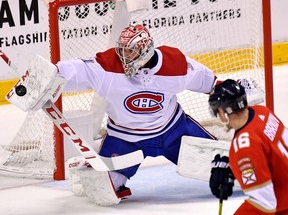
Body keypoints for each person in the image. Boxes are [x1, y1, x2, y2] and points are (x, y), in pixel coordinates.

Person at [56, 24, 218, 205]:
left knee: (223, 169)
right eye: (122, 50)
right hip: (125, 139)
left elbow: (208, 81)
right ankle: (88, 167)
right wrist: (53, 73)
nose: (124, 56)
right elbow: (80, 69)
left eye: (131, 51)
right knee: (104, 191)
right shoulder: (108, 65)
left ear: (146, 49)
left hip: (174, 132)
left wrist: (227, 89)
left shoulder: (173, 63)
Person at [208, 79, 288, 214]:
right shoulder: (262, 112)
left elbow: (265, 204)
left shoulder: (243, 147)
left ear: (222, 111)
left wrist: (240, 159)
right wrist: (234, 167)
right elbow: (267, 150)